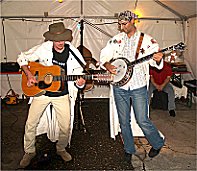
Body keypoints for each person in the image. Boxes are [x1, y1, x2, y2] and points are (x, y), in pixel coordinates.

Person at [100, 10, 165, 168]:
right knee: (124, 121)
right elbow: (104, 55)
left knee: (142, 119)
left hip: (138, 86)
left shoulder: (148, 41)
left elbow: (154, 63)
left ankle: (157, 142)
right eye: (120, 24)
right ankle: (129, 148)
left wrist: (158, 59)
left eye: (125, 24)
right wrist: (107, 64)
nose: (121, 27)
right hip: (119, 86)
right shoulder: (116, 40)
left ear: (133, 21)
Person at [17, 22, 86, 168]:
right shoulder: (44, 48)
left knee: (65, 126)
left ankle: (61, 148)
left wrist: (80, 82)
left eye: (62, 39)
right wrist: (29, 74)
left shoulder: (73, 52)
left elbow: (80, 75)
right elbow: (22, 57)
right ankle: (29, 151)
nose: (60, 43)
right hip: (41, 93)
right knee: (31, 123)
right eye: (57, 40)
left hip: (62, 94)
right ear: (51, 39)